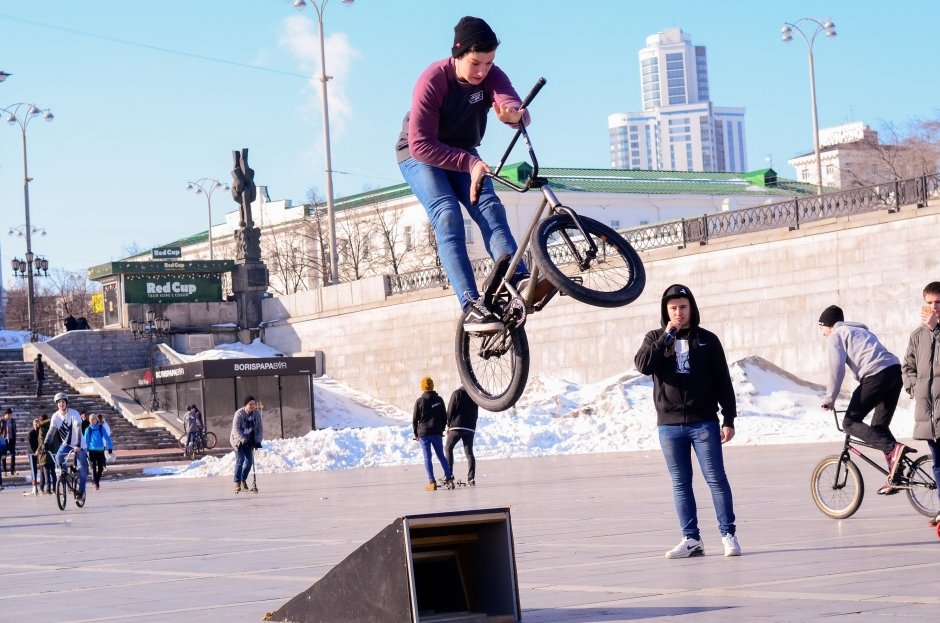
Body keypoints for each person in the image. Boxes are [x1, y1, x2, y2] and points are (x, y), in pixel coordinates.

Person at [396, 16, 531, 334]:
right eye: (475, 64)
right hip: (421, 153)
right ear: (457, 56)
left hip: (464, 150)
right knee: (447, 214)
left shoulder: (491, 75)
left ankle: (517, 277)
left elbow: (511, 101)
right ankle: (471, 305)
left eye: (489, 63)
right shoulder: (433, 80)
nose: (482, 72)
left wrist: (515, 114)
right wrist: (469, 164)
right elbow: (421, 144)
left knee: (490, 207)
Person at [634, 284, 741, 558]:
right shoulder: (655, 338)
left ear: (691, 307)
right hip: (668, 425)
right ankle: (691, 539)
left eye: (683, 307)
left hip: (703, 422)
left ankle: (728, 535)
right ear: (665, 311)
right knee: (680, 483)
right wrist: (666, 337)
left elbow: (722, 382)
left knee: (716, 478)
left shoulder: (707, 340)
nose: (678, 313)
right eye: (673, 308)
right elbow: (644, 365)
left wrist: (728, 418)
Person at [818, 304, 909, 495]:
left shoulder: (837, 335)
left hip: (876, 375)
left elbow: (837, 369)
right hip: (894, 371)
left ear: (829, 325)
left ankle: (893, 448)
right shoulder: (860, 331)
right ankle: (896, 476)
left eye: (822, 328)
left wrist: (830, 398)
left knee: (850, 422)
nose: (823, 333)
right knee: (879, 428)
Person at [901, 281, 940, 526]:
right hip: (928, 413)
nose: (933, 307)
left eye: (938, 303)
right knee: (938, 464)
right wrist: (915, 388)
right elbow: (907, 366)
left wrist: (936, 330)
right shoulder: (917, 336)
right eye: (929, 303)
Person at [413, 376, 454, 491]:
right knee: (441, 455)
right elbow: (444, 417)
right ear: (432, 386)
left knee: (427, 457)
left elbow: (415, 419)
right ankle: (449, 477)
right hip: (436, 432)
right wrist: (440, 429)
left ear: (422, 387)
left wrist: (416, 433)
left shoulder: (419, 401)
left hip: (423, 434)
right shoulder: (439, 400)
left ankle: (432, 482)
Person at [45, 391, 88, 499]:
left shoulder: (74, 414)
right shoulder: (55, 416)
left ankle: (81, 491)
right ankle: (64, 475)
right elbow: (51, 431)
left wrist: (78, 445)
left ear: (66, 402)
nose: (61, 404)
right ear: (57, 404)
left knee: (82, 468)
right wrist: (45, 444)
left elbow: (78, 429)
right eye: (59, 402)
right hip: (67, 443)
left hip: (80, 444)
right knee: (58, 457)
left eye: (63, 401)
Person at [445, 385, 479, 486]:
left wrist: (448, 425)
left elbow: (450, 410)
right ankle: (471, 478)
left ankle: (449, 474)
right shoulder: (474, 395)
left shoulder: (457, 393)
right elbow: (476, 414)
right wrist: (472, 425)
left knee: (448, 448)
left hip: (457, 426)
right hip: (470, 428)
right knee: (469, 453)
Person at [230, 396, 263, 493]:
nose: (252, 406)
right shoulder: (239, 414)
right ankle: (237, 482)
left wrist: (258, 441)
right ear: (245, 405)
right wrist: (243, 439)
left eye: (254, 404)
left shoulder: (256, 414)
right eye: (250, 404)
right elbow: (235, 429)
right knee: (240, 460)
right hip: (238, 441)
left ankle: (243, 479)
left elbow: (260, 429)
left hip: (249, 441)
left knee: (248, 463)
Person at [83, 414, 113, 491]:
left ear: (96, 420)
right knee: (93, 466)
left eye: (94, 419)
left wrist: (110, 448)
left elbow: (107, 437)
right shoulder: (88, 429)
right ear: (89, 421)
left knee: (100, 467)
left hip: (100, 450)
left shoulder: (101, 428)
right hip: (92, 450)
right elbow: (85, 441)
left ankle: (97, 480)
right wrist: (85, 451)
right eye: (91, 420)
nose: (93, 421)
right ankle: (95, 482)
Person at [37, 413, 54, 495]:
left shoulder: (42, 428)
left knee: (46, 472)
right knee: (53, 472)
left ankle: (48, 489)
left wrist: (39, 450)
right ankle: (54, 488)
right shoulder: (53, 426)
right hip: (54, 451)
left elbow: (41, 441)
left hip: (45, 452)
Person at [25, 418, 40, 496]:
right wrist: (34, 452)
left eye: (37, 424)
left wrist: (38, 451)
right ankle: (34, 487)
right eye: (35, 424)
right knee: (33, 470)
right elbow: (30, 445)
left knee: (41, 469)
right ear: (33, 425)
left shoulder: (39, 432)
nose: (36, 426)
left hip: (38, 452)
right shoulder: (30, 433)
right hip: (32, 453)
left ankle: (41, 486)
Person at [1, 408, 17, 476]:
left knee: (13, 455)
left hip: (11, 439)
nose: (10, 416)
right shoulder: (1, 420)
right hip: (4, 440)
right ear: (6, 414)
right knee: (4, 456)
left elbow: (14, 429)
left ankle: (12, 470)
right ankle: (5, 471)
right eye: (9, 415)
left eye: (11, 415)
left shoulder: (13, 420)